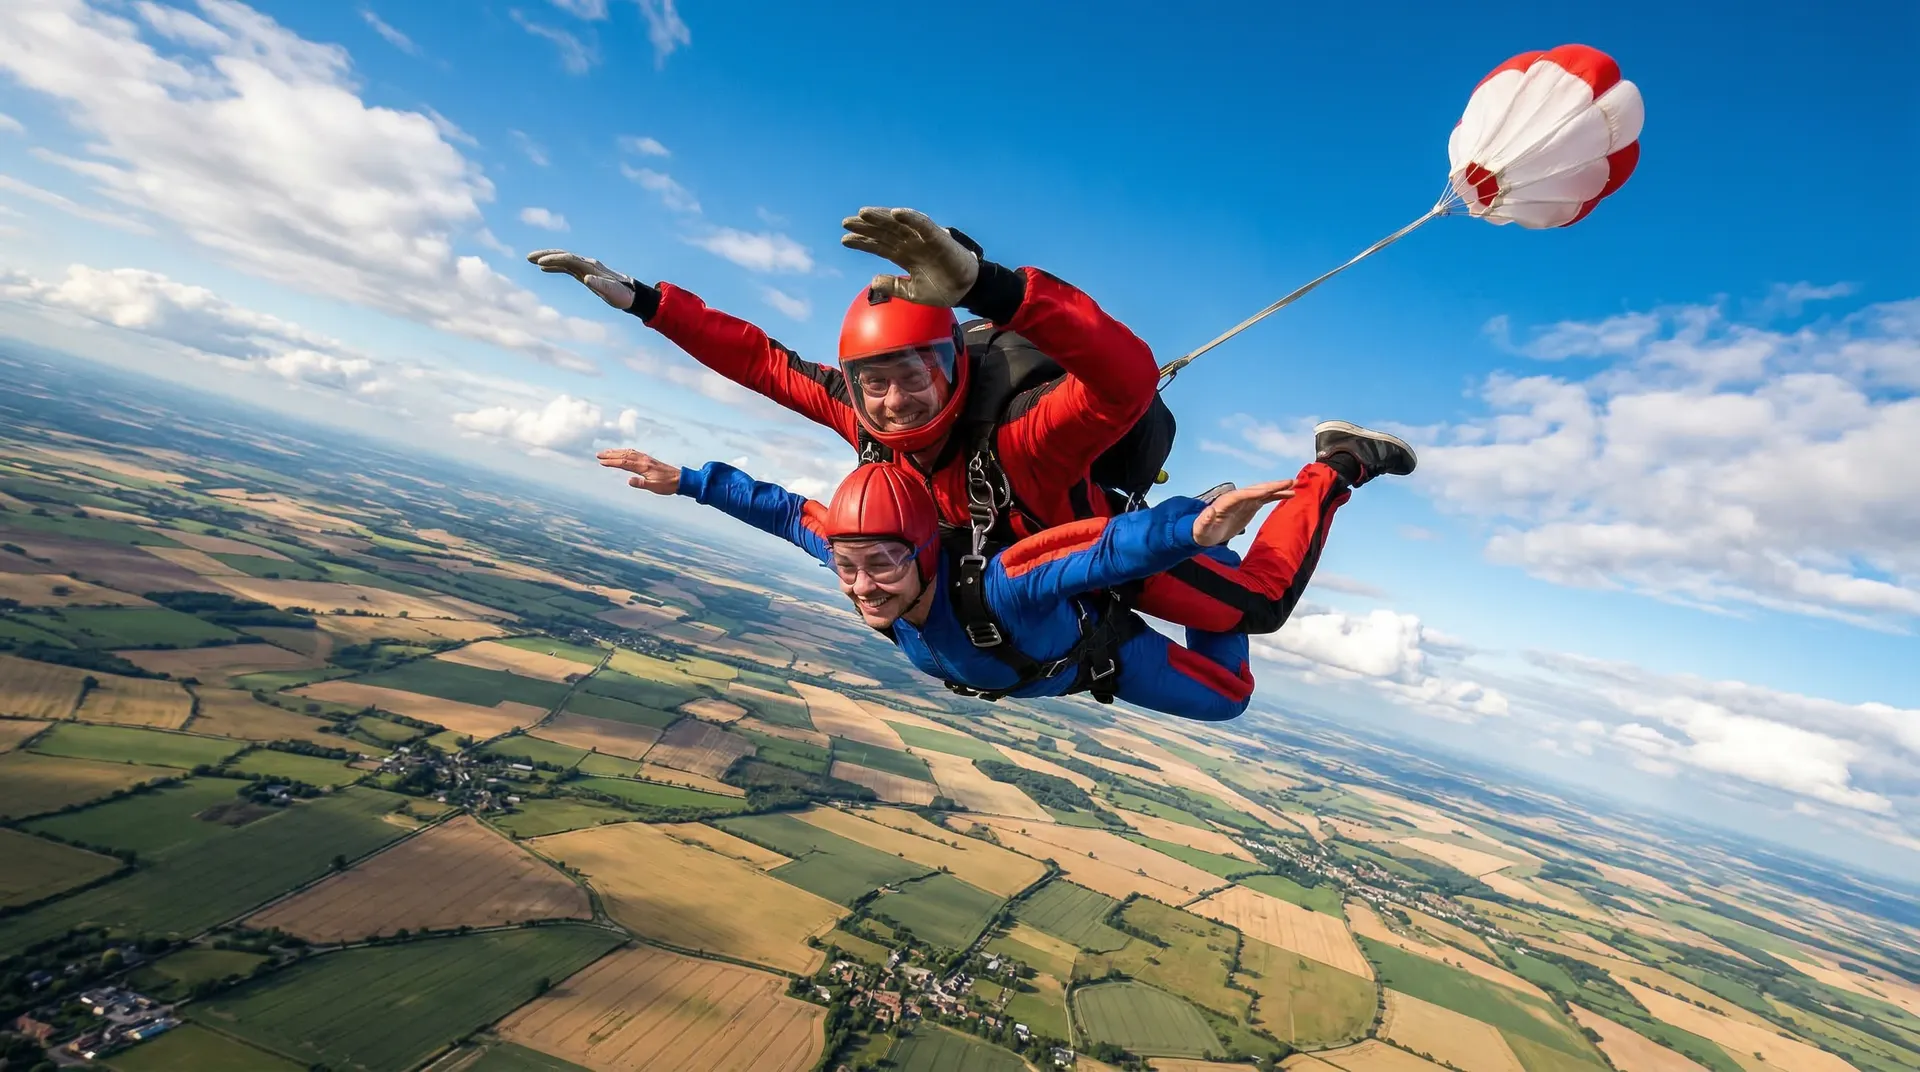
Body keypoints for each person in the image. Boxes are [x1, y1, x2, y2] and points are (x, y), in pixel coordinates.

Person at [532, 209, 1386, 638]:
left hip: (1086, 552)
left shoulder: (1023, 439)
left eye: (917, 377)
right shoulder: (856, 413)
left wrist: (990, 287)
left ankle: (1334, 466)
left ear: (955, 365)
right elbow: (755, 358)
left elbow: (1122, 379)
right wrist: (641, 299)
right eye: (875, 385)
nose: (896, 402)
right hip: (979, 571)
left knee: (1260, 607)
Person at [597, 422, 1416, 720]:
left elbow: (1100, 551)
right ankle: (1211, 558)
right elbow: (785, 511)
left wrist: (1186, 529)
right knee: (1218, 609)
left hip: (1098, 654)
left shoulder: (996, 583)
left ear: (922, 550)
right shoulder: (861, 553)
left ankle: (1331, 469)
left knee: (1230, 694)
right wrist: (691, 482)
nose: (862, 586)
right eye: (848, 567)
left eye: (880, 565)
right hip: (1049, 665)